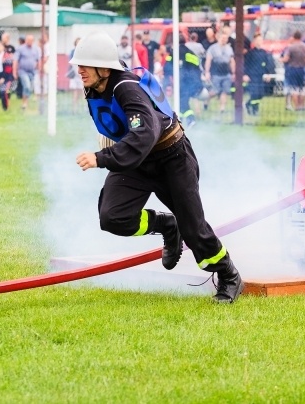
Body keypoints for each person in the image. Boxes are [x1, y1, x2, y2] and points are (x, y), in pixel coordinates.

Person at [71, 31, 243, 303]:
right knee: (112, 217)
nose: (78, 70)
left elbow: (144, 133)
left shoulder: (126, 87)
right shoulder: (97, 84)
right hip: (137, 161)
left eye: (84, 64)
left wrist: (102, 158)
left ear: (104, 68)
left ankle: (228, 274)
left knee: (194, 229)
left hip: (171, 158)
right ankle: (165, 224)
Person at [163, 34, 203, 127]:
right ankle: (182, 120)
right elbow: (197, 66)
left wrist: (167, 80)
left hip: (182, 81)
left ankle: (190, 120)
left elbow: (167, 67)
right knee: (183, 100)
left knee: (182, 100)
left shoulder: (175, 52)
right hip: (193, 82)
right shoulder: (190, 52)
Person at [203, 28, 235, 113]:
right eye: (223, 38)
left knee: (225, 91)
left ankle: (222, 108)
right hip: (216, 73)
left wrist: (233, 72)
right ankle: (206, 101)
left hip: (226, 73)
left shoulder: (229, 48)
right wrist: (207, 72)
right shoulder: (212, 48)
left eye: (226, 38)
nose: (224, 40)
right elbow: (208, 60)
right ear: (219, 38)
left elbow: (232, 61)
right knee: (214, 91)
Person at [243, 33, 274, 116]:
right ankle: (254, 109)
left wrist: (268, 74)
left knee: (260, 94)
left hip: (261, 76)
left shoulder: (264, 53)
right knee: (254, 93)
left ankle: (249, 104)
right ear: (254, 41)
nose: (259, 42)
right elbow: (245, 64)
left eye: (260, 40)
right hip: (252, 76)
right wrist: (245, 75)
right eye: (257, 40)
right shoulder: (250, 53)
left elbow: (268, 64)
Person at [281, 31, 305, 111]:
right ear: (301, 37)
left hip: (293, 69)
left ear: (294, 37)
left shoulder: (291, 47)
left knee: (294, 88)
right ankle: (302, 106)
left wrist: (281, 60)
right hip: (302, 69)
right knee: (302, 88)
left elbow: (286, 59)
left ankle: (297, 106)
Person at [15, 34, 39, 111]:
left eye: (31, 40)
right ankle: (24, 103)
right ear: (25, 40)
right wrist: (14, 71)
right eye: (28, 40)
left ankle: (26, 102)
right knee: (27, 86)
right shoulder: (20, 49)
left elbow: (38, 60)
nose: (29, 42)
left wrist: (38, 68)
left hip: (33, 71)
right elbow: (15, 60)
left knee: (31, 87)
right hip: (23, 71)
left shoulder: (36, 49)